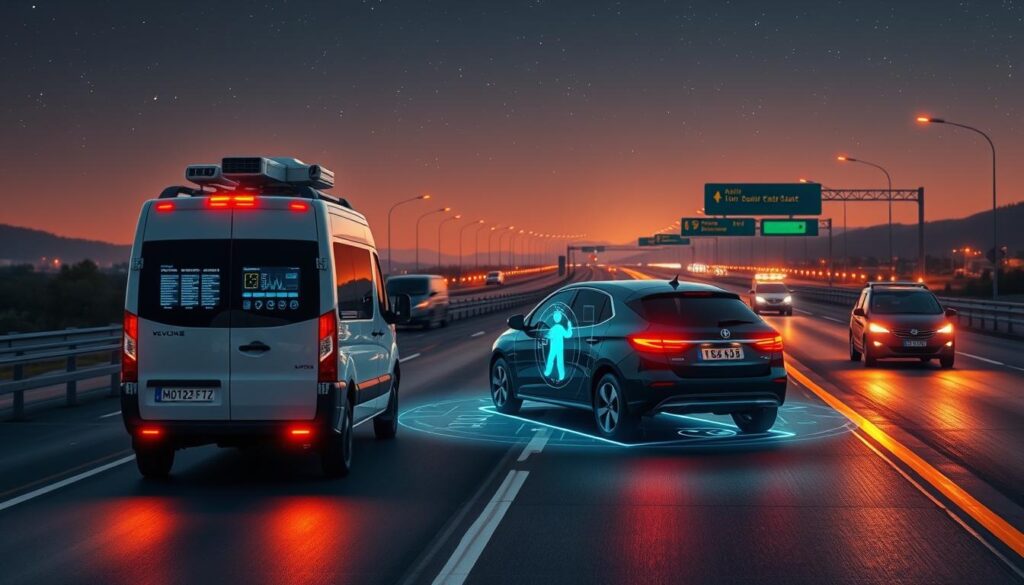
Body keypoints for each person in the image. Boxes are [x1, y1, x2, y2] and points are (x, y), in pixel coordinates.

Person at [543, 308, 573, 381]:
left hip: (554, 347)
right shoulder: (560, 328)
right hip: (559, 347)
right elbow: (568, 335)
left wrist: (546, 336)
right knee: (559, 361)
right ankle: (561, 375)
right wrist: (569, 327)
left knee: (551, 360)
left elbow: (549, 336)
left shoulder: (553, 328)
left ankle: (547, 372)